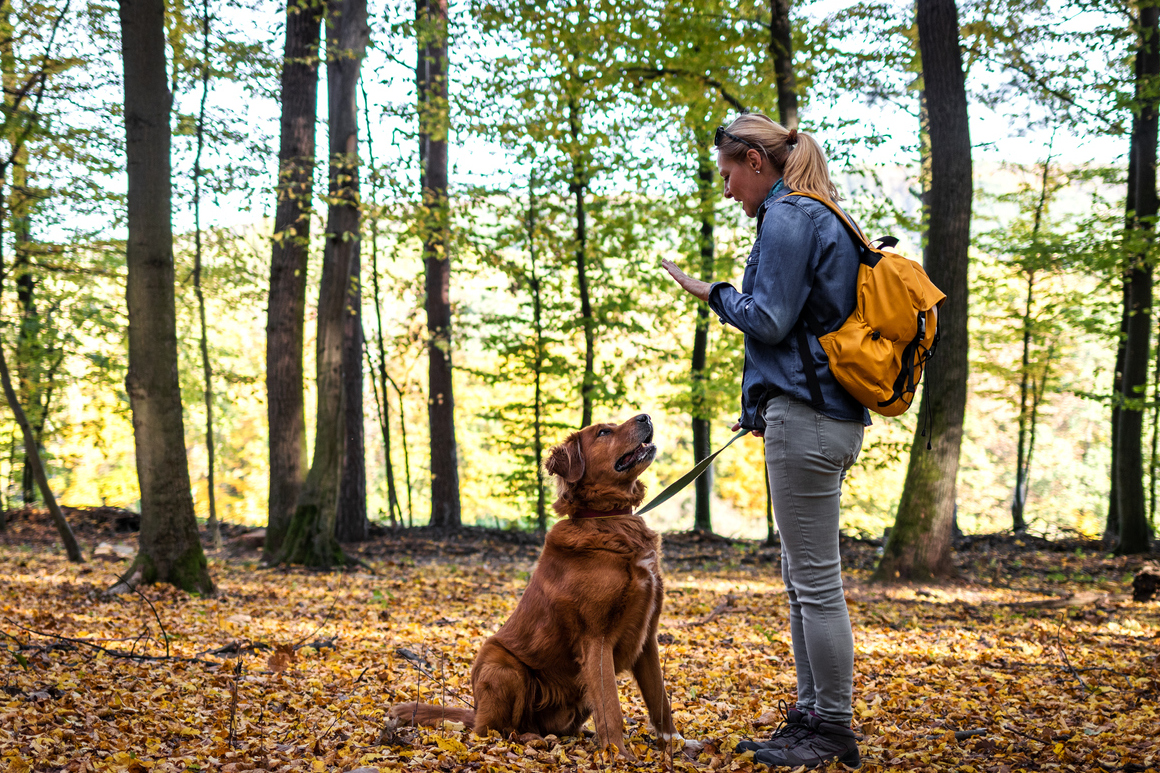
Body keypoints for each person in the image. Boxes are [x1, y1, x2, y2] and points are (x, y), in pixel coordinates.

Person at [662, 113, 867, 770]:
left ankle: (831, 722)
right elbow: (805, 328)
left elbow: (772, 320)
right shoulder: (818, 215)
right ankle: (810, 716)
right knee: (802, 578)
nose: (728, 191)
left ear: (755, 160)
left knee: (813, 581)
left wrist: (711, 291)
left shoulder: (788, 217)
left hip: (809, 420)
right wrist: (762, 403)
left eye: (729, 175)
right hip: (817, 414)